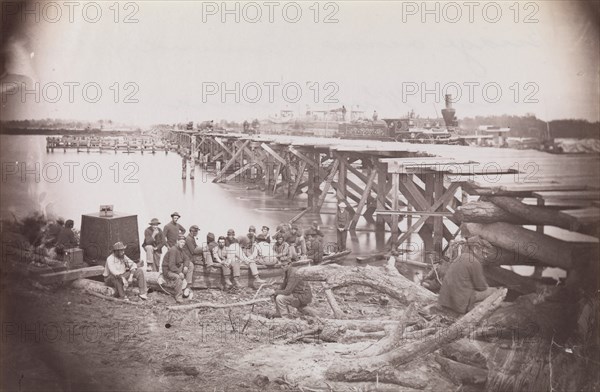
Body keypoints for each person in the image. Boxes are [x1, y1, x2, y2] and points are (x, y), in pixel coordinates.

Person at [438, 237, 497, 314]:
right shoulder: (475, 262)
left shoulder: (461, 257)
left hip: (444, 300)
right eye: (484, 253)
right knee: (494, 291)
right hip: (458, 304)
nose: (485, 257)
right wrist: (488, 286)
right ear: (475, 249)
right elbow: (481, 287)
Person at [163, 235, 194, 303]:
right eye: (181, 242)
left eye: (183, 242)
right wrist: (179, 272)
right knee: (178, 277)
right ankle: (178, 296)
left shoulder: (181, 250)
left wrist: (185, 266)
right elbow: (171, 266)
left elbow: (187, 258)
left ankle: (187, 286)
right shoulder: (173, 250)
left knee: (190, 264)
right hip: (168, 270)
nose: (182, 244)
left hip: (175, 268)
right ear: (177, 241)